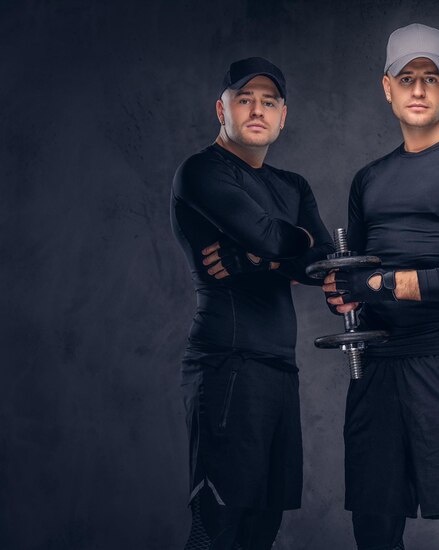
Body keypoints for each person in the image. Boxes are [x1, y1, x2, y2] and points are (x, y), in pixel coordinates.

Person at [323, 24, 439, 550]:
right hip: (374, 371)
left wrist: (381, 283)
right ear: (386, 86)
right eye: (406, 77)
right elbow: (352, 278)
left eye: (432, 77)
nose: (418, 89)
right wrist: (341, 292)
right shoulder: (368, 179)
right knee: (374, 528)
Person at [171, 57, 333, 550]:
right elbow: (270, 237)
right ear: (221, 109)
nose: (256, 110)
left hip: (280, 369)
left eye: (268, 102)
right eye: (244, 100)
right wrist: (280, 247)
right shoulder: (201, 171)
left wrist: (254, 258)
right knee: (218, 526)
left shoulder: (293, 186)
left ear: (283, 116)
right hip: (227, 364)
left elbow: (321, 260)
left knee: (263, 526)